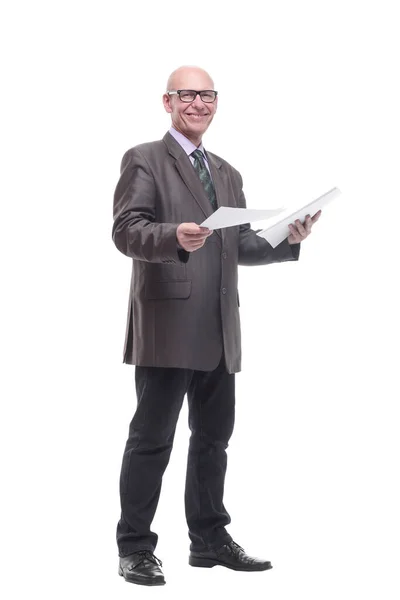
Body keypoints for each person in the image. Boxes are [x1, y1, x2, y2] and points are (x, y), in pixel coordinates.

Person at [112, 65, 321, 587]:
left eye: (208, 95)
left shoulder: (226, 171)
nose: (199, 103)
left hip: (220, 327)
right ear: (167, 102)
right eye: (188, 95)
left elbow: (239, 245)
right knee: (152, 440)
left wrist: (285, 237)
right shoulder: (144, 159)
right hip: (167, 322)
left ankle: (208, 540)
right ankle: (135, 547)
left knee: (213, 440)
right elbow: (126, 230)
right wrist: (172, 236)